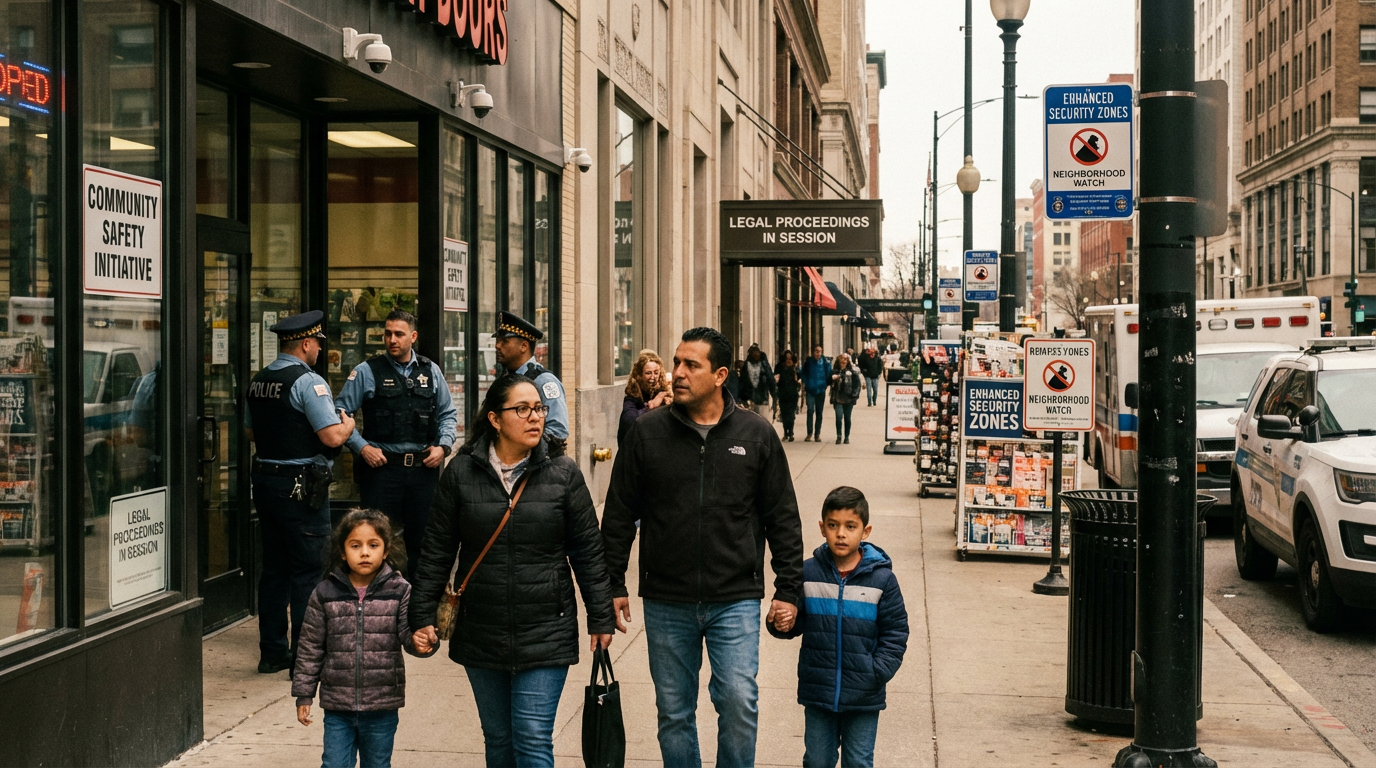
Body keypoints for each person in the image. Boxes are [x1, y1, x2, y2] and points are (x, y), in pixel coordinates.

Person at [602, 326, 805, 768]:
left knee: (738, 703)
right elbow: (619, 513)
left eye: (691, 365)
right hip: (666, 598)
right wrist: (612, 582)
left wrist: (789, 588)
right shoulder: (647, 433)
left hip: (734, 597)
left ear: (720, 375)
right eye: (677, 362)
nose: (677, 373)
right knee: (673, 713)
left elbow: (782, 517)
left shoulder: (756, 434)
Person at [409, 375, 615, 768]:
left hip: (546, 628)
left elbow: (588, 551)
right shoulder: (461, 473)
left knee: (533, 740)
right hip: (481, 627)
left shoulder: (563, 473)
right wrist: (421, 617)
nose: (536, 417)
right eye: (522, 409)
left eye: (539, 408)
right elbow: (436, 551)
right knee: (499, 741)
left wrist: (600, 615)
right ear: (495, 419)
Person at [245, 310, 357, 674]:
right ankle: (306, 658)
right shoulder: (309, 383)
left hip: (264, 480)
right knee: (309, 571)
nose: (320, 352)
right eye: (318, 345)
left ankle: (272, 652)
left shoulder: (260, 380)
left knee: (274, 568)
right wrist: (348, 425)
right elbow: (330, 436)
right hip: (300, 487)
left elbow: (251, 433)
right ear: (306, 343)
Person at [768, 487, 908, 768]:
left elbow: (896, 632)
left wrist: (876, 671)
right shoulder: (807, 573)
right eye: (833, 525)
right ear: (822, 528)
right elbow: (794, 620)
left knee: (858, 762)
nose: (841, 533)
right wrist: (781, 621)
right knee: (817, 761)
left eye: (850, 526)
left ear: (865, 532)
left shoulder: (882, 580)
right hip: (818, 691)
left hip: (864, 695)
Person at [292, 509, 433, 768]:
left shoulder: (400, 591)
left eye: (373, 545)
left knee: (378, 764)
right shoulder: (325, 592)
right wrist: (304, 694)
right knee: (334, 764)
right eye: (355, 546)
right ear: (343, 552)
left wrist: (421, 641)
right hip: (338, 706)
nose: (365, 552)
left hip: (382, 704)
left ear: (386, 550)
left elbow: (407, 634)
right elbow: (310, 647)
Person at [335, 310, 458, 580]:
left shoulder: (431, 371)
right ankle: (377, 606)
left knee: (424, 544)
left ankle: (418, 609)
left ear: (412, 337)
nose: (392, 339)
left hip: (422, 471)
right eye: (388, 333)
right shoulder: (367, 371)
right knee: (375, 541)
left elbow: (448, 414)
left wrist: (443, 447)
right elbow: (340, 413)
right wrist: (361, 447)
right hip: (381, 471)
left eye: (399, 334)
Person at [492, 310, 569, 454]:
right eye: (497, 341)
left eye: (504, 341)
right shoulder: (505, 378)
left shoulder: (544, 382)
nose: (497, 346)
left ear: (523, 346)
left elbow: (558, 431)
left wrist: (522, 454)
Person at [620, 349, 672, 445]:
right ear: (639, 375)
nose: (653, 377)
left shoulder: (663, 392)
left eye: (656, 373)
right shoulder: (632, 397)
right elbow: (629, 422)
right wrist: (650, 406)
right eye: (648, 373)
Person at [800, 344, 832, 443]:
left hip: (821, 389)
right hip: (810, 389)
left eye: (819, 351)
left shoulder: (825, 363)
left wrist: (826, 384)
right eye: (816, 351)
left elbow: (829, 374)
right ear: (813, 352)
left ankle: (817, 434)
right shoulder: (809, 362)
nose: (818, 353)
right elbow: (803, 373)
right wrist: (805, 382)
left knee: (819, 412)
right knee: (810, 411)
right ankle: (809, 433)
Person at [830, 354, 863, 445]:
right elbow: (829, 381)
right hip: (838, 397)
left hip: (849, 398)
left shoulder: (852, 372)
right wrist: (833, 379)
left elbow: (857, 385)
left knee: (847, 418)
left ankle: (847, 436)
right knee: (839, 417)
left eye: (845, 361)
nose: (843, 363)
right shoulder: (835, 372)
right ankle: (839, 435)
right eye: (841, 361)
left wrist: (854, 395)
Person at [737, 343, 777, 418]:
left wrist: (774, 395)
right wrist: (741, 398)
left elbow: (771, 381)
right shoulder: (746, 366)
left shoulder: (764, 366)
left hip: (762, 398)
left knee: (762, 421)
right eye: (754, 355)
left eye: (757, 355)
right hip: (749, 399)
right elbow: (742, 383)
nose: (756, 356)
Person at [774, 349, 802, 442]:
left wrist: (798, 381)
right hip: (783, 394)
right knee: (784, 413)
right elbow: (776, 379)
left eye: (790, 359)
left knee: (791, 414)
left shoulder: (795, 369)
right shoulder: (779, 367)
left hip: (793, 394)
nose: (788, 361)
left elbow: (800, 381)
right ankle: (786, 432)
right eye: (787, 359)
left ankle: (791, 432)